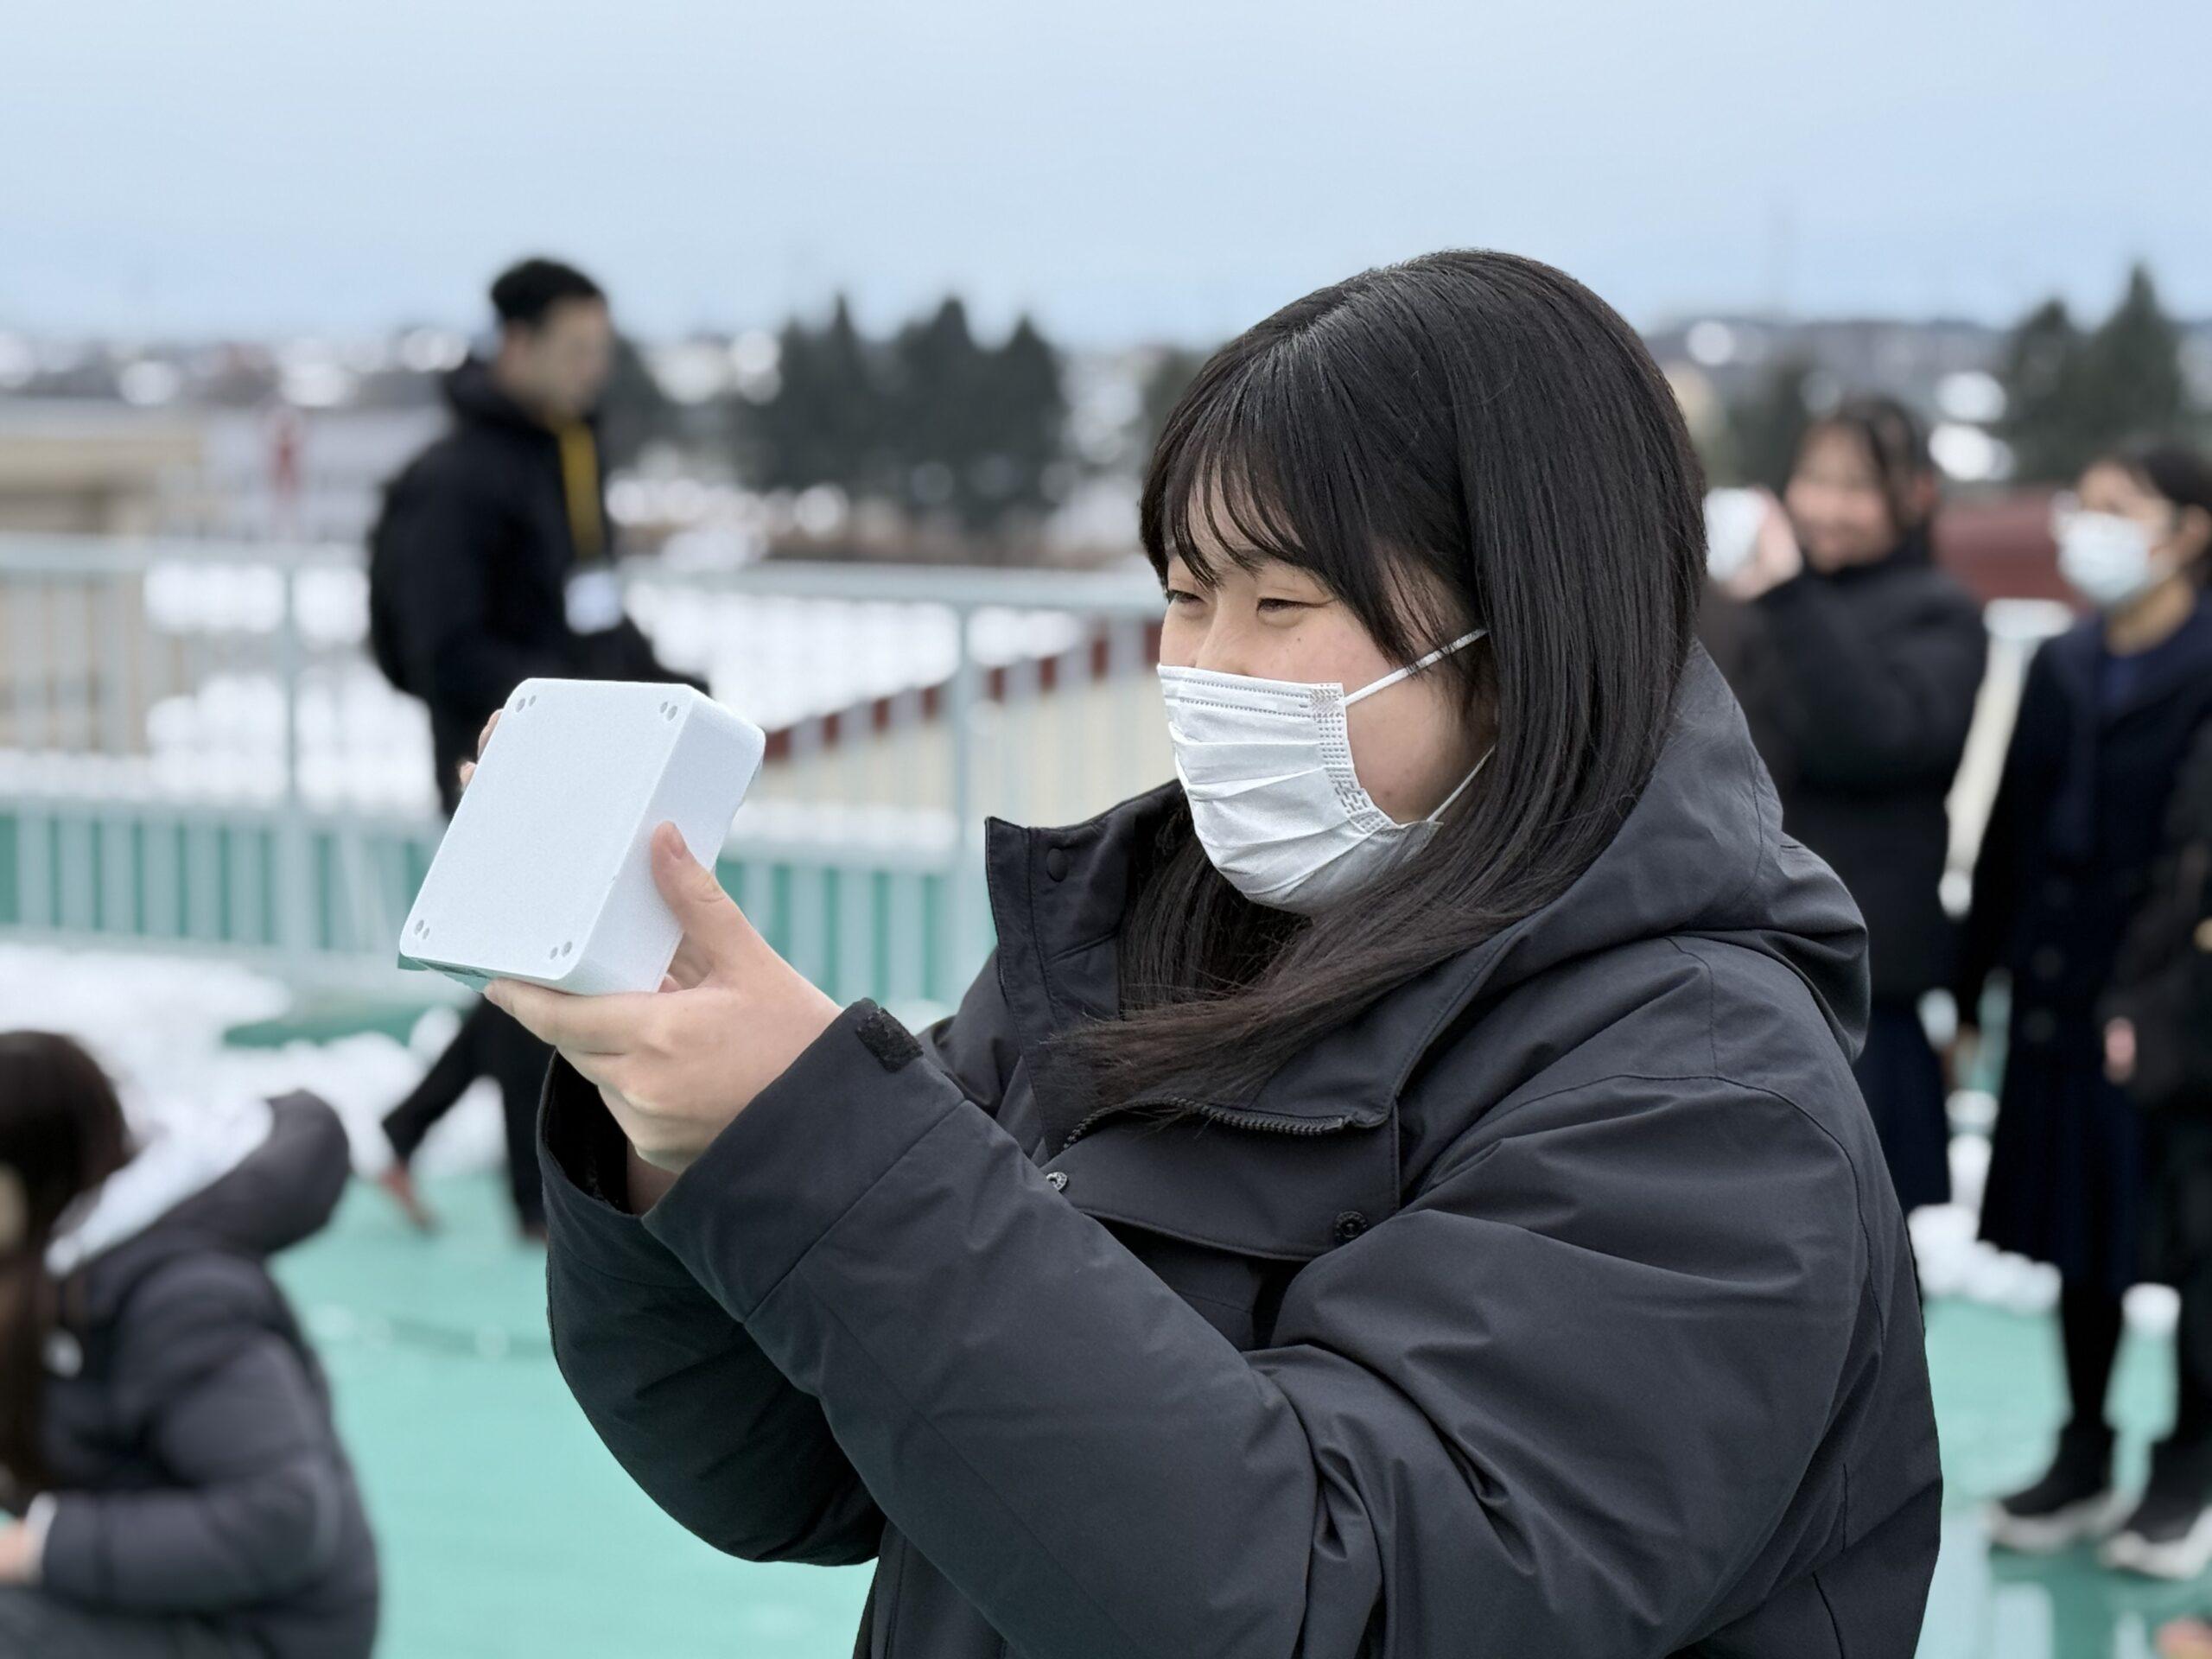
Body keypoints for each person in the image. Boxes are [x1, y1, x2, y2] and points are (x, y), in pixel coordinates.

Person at [488, 251, 1940, 1656]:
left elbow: (1335, 1603)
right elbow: (788, 1467)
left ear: (1523, 639)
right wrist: (688, 1149)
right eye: (1186, 595)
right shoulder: (1137, 943)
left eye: (1279, 604)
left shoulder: (1709, 1102)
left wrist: (821, 1138)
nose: (1202, 667)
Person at [367, 256, 696, 1237]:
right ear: (516, 344)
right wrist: (561, 708)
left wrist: (668, 688)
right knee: (533, 975)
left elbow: (591, 610)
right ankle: (536, 1205)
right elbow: (438, 650)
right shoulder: (455, 480)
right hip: (497, 765)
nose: (594, 368)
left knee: (541, 971)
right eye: (576, 348)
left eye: (603, 349)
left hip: (588, 759)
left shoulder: (571, 451)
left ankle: (408, 1133)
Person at [1970, 442, 2212, 1575]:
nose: (2091, 527)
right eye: (2088, 502)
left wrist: (2157, 994)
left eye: (2121, 507)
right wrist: (1977, 981)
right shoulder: (2065, 660)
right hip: (2060, 994)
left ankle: (2186, 1467)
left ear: (2188, 531)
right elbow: (2010, 835)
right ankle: (2081, 1449)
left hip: (2183, 1005)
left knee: (2194, 1242)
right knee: (2079, 1235)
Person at [0, 1033, 378, 1657]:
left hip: (264, 1630)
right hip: (160, 1599)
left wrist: (43, 1546)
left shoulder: (180, 1302)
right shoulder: (49, 1273)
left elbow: (279, 1517)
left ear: (33, 1174)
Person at [1707, 400, 1988, 1221]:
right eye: (1814, 480)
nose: (1826, 507)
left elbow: (1877, 739)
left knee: (1860, 1235)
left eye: (1856, 486)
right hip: (1743, 961)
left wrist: (1793, 596)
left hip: (1861, 984)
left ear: (1917, 494)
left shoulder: (1940, 612)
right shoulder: (1760, 604)